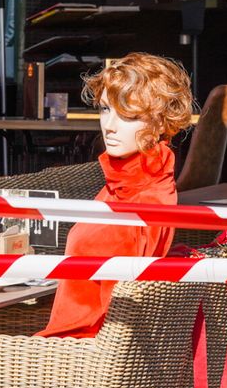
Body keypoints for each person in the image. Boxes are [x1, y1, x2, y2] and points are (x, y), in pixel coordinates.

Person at [37, 53, 194, 339]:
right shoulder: (125, 185)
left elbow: (117, 316)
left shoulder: (145, 201)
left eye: (129, 116)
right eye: (105, 109)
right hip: (77, 347)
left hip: (80, 354)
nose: (109, 125)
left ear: (160, 124)